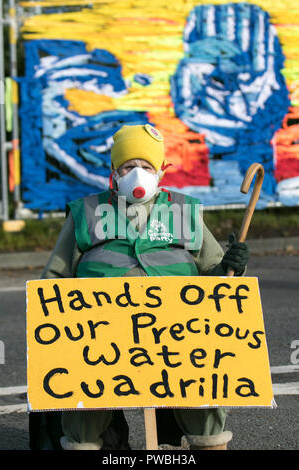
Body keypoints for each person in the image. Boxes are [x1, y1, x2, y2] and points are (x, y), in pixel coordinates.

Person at [29, 124, 249, 451]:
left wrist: (232, 266)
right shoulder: (85, 212)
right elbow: (53, 283)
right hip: (98, 338)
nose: (138, 174)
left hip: (179, 335)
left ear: (161, 171)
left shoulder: (184, 210)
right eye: (128, 166)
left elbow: (216, 280)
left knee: (203, 406)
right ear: (114, 172)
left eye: (146, 166)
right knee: (83, 417)